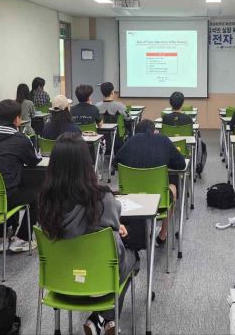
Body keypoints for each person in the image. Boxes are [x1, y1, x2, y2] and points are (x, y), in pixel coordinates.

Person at [38, 132, 137, 335]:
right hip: (99, 284)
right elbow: (117, 255)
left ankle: (98, 319)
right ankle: (107, 318)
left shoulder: (45, 202)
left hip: (60, 283)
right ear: (87, 163)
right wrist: (115, 231)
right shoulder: (102, 199)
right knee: (134, 257)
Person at [0, 99, 42, 252]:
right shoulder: (20, 139)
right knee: (35, 195)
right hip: (9, 195)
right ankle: (22, 238)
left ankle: (2, 237)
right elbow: (34, 160)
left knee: (1, 184)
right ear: (17, 119)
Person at [114, 120, 185, 245]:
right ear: (154, 131)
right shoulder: (163, 140)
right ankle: (162, 235)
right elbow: (181, 164)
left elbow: (116, 163)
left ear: (136, 132)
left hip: (131, 199)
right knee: (173, 187)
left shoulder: (131, 141)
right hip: (159, 200)